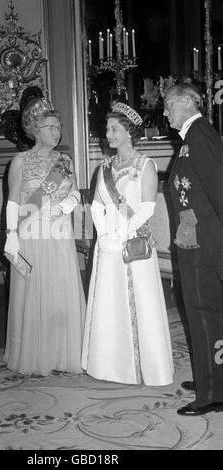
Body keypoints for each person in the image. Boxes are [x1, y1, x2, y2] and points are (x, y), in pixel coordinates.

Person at [82, 101, 174, 386]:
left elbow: (147, 208)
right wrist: (104, 234)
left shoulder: (146, 164)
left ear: (129, 131)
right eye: (107, 128)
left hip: (132, 242)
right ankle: (108, 364)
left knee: (138, 303)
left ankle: (146, 367)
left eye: (113, 128)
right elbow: (97, 205)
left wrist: (122, 233)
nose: (107, 133)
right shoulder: (105, 167)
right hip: (108, 243)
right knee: (108, 302)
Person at [3, 88, 86, 376]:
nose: (57, 132)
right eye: (51, 128)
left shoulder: (65, 161)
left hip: (59, 233)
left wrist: (68, 204)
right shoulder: (20, 161)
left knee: (61, 292)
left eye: (58, 127)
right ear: (36, 130)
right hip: (32, 233)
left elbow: (76, 194)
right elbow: (13, 199)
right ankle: (39, 354)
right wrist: (11, 234)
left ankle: (64, 353)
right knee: (36, 293)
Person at [163, 83, 223, 416]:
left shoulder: (200, 136)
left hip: (204, 248)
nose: (165, 110)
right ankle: (210, 379)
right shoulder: (194, 136)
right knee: (207, 316)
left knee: (204, 315)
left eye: (169, 103)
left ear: (187, 102)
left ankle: (212, 393)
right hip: (196, 243)